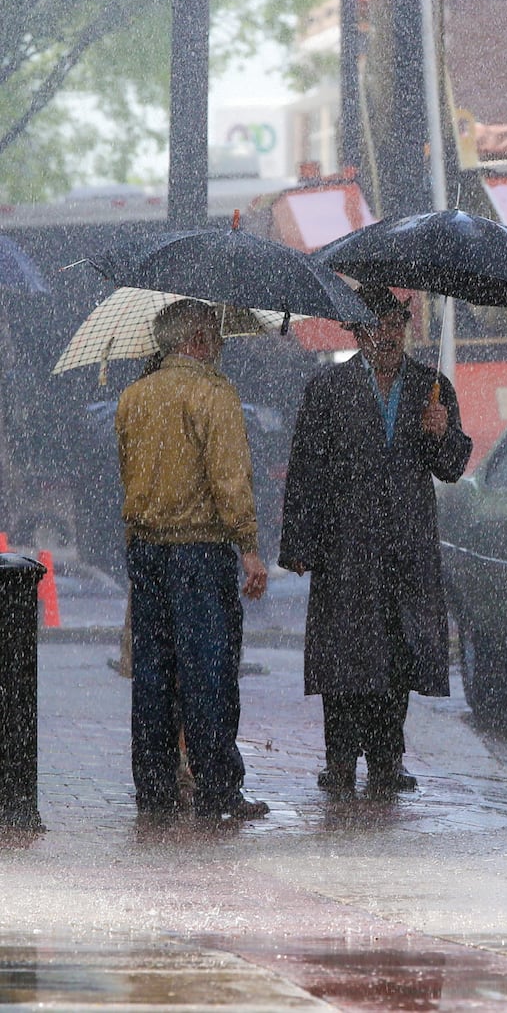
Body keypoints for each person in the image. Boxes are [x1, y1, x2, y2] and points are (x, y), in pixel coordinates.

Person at [279, 285, 472, 797]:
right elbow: (305, 472)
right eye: (375, 326)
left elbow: (451, 467)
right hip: (345, 549)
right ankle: (339, 760)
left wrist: (442, 433)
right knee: (342, 660)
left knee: (397, 656)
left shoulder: (432, 388)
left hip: (405, 547)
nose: (387, 336)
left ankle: (388, 758)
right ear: (357, 331)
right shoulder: (327, 389)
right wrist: (298, 542)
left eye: (395, 325)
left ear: (406, 328)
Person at [115, 300, 270, 823]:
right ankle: (218, 789)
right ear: (200, 339)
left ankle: (154, 790)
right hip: (200, 551)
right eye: (216, 336)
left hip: (146, 549)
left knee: (153, 674)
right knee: (209, 672)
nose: (220, 346)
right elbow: (230, 478)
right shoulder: (214, 394)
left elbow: (126, 470)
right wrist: (248, 547)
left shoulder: (133, 397)